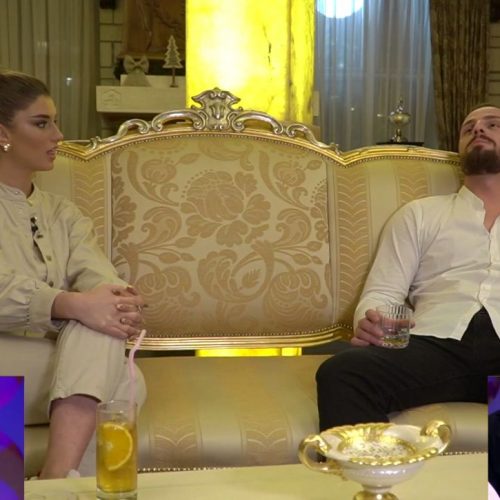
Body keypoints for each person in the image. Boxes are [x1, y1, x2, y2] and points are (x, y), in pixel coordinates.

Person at [316, 103, 500, 431]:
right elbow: (383, 292)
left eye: (493, 124)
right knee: (344, 372)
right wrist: (372, 322)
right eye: (468, 128)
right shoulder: (420, 214)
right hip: (439, 349)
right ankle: (378, 466)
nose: (478, 129)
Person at [0, 69, 147, 479]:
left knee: (105, 336)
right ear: (2, 133)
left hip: (51, 359)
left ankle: (53, 481)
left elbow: (99, 277)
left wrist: (115, 302)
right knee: (125, 380)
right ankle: (59, 485)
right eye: (41, 124)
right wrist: (70, 304)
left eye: (56, 122)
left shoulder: (63, 214)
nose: (58, 136)